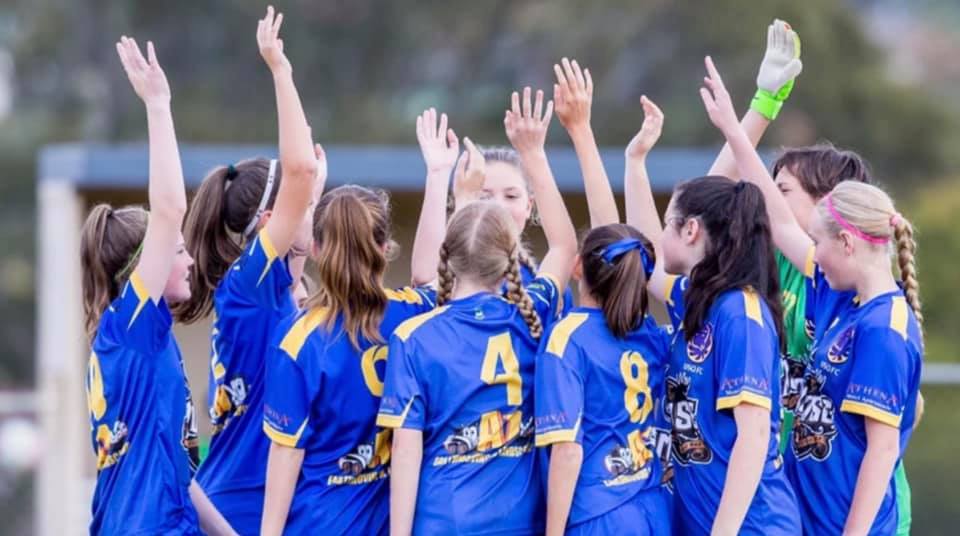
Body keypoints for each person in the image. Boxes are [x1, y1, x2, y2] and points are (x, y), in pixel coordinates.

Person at [699, 54, 924, 535]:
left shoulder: (885, 328)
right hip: (806, 515)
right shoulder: (837, 293)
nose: (812, 254)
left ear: (846, 241)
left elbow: (882, 451)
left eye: (820, 243)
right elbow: (780, 219)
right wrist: (737, 126)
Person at [379, 87, 578, 535]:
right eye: (485, 197)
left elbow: (406, 453)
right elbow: (566, 246)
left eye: (510, 195)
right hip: (515, 520)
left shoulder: (417, 334)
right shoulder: (536, 311)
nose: (496, 206)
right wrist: (537, 154)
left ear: (530, 205)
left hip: (443, 518)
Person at [177, 7, 324, 532]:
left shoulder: (274, 280)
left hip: (262, 498)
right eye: (300, 207)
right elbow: (301, 172)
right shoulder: (247, 284)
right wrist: (280, 70)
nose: (312, 211)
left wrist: (312, 189)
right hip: (238, 506)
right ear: (268, 221)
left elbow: (303, 225)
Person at [82, 37, 233, 535]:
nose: (189, 259)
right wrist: (158, 105)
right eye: (176, 250)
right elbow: (169, 208)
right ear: (139, 270)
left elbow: (180, 474)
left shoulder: (150, 343)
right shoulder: (131, 326)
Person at [260, 185, 437, 535]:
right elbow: (431, 277)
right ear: (385, 250)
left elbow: (286, 452)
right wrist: (438, 176)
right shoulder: (416, 314)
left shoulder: (297, 339)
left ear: (314, 248)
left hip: (319, 521)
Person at [536, 224, 671, 535]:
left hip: (598, 511)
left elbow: (568, 450)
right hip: (652, 506)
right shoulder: (650, 333)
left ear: (578, 266)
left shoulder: (567, 337)